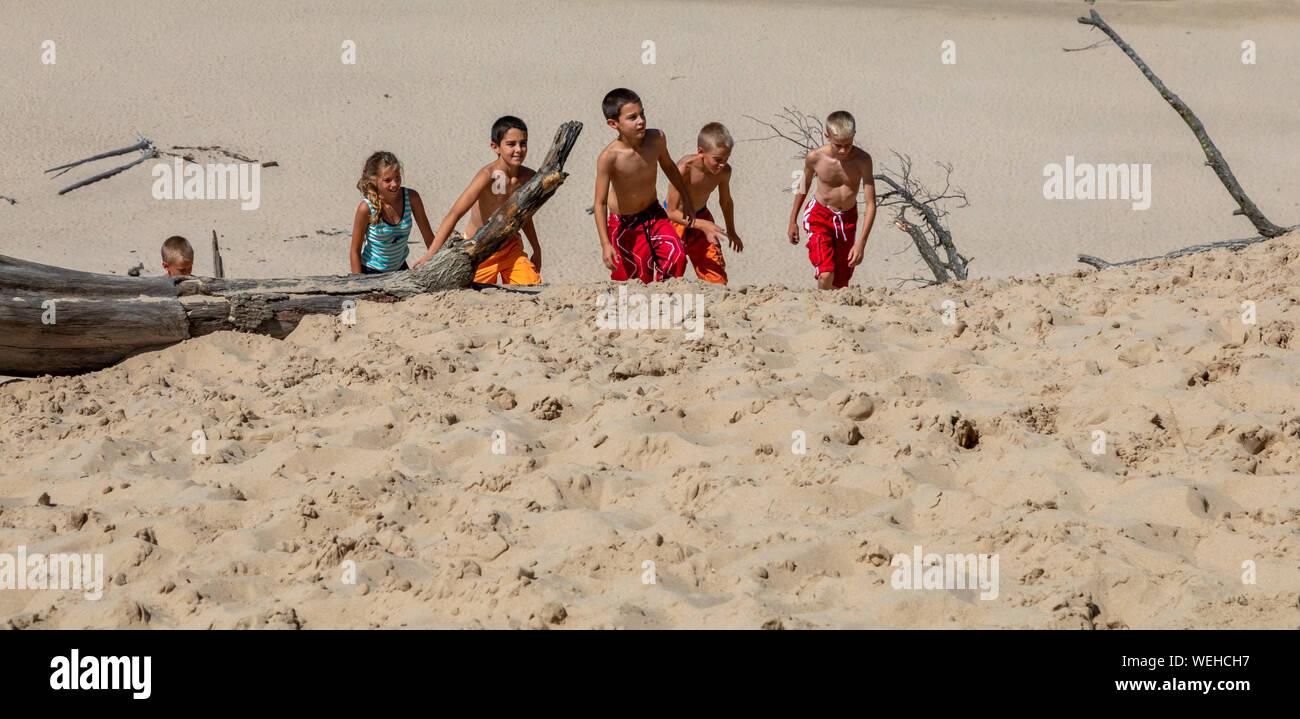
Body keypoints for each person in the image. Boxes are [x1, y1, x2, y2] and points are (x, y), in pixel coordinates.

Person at [410, 116, 541, 284]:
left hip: (510, 247)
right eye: (511, 144)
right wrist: (430, 254)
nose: (519, 149)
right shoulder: (487, 176)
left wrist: (536, 249)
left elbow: (524, 215)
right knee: (473, 293)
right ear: (495, 147)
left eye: (523, 143)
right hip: (478, 248)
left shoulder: (529, 177)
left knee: (531, 288)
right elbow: (455, 213)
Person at [593, 87, 698, 283]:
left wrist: (686, 197)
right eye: (632, 117)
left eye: (642, 114)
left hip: (654, 214)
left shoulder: (656, 138)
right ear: (613, 123)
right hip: (624, 224)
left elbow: (669, 166)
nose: (641, 121)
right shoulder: (609, 157)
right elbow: (599, 203)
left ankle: (666, 302)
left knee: (676, 257)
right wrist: (605, 244)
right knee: (635, 278)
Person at [787, 111, 877, 289]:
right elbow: (802, 186)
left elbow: (871, 204)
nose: (843, 150)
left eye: (848, 144)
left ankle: (833, 312)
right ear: (827, 136)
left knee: (841, 282)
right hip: (819, 215)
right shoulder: (815, 158)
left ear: (854, 136)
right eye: (838, 145)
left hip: (847, 220)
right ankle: (821, 312)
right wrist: (792, 220)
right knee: (826, 272)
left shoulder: (863, 160)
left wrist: (861, 242)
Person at [663, 122, 743, 284]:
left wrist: (731, 230)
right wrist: (702, 225)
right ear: (701, 152)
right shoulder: (684, 168)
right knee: (672, 269)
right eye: (717, 159)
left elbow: (726, 202)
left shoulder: (725, 171)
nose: (722, 164)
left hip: (701, 215)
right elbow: (670, 211)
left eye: (726, 159)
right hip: (674, 221)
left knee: (716, 275)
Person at [350, 151, 435, 274]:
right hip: (371, 272)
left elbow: (429, 238)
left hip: (400, 270)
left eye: (397, 177)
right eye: (387, 180)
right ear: (374, 181)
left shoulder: (412, 197)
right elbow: (355, 251)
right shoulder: (366, 208)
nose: (394, 184)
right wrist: (356, 285)